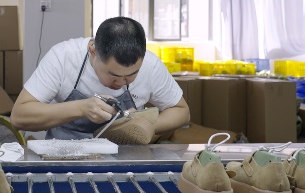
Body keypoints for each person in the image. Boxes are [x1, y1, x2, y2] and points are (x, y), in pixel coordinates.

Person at [10, 16, 189, 140]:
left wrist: (141, 124)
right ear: (93, 52)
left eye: (131, 75)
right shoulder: (63, 57)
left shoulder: (151, 65)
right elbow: (19, 117)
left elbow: (181, 111)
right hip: (64, 158)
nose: (121, 82)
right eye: (114, 75)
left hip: (126, 159)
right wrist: (80, 108)